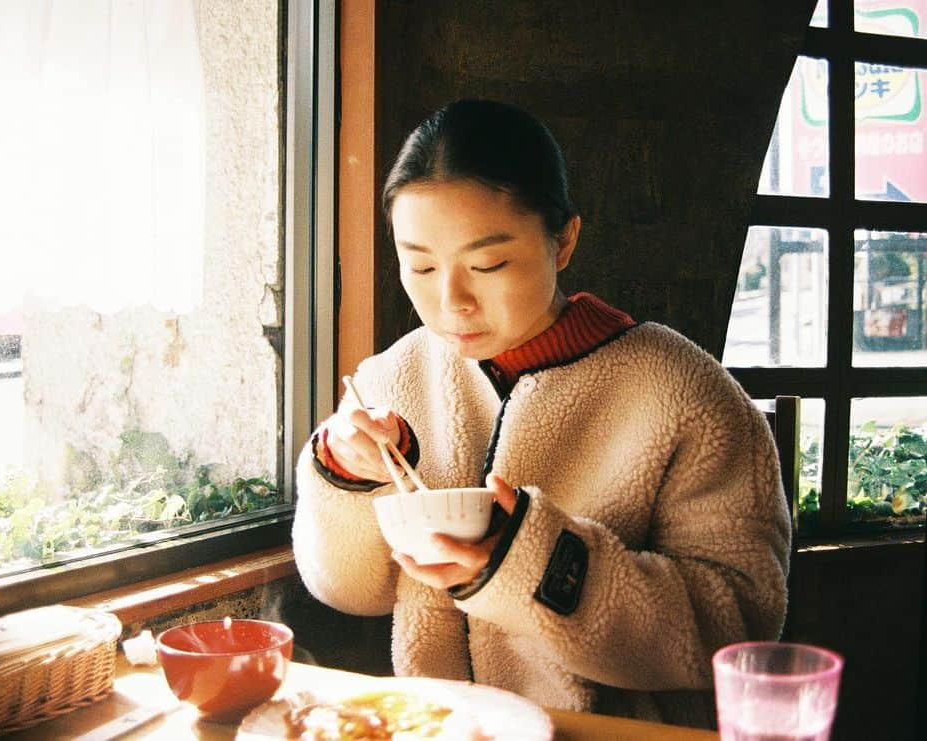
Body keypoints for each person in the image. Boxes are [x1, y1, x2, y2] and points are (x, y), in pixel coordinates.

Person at [292, 99, 790, 729]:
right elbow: (347, 591)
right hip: (443, 726)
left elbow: (737, 625)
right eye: (418, 264)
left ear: (564, 240)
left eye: (488, 264)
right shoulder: (388, 381)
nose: (452, 302)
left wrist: (528, 559)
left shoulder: (685, 392)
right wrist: (343, 472)